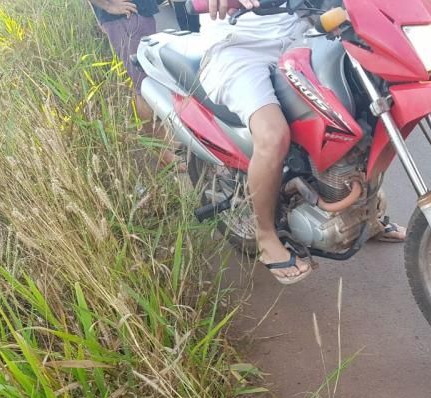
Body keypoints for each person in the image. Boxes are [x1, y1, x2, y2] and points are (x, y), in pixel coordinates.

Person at [200, 0, 405, 285]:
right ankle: (265, 236)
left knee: (366, 112)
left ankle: (365, 213)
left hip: (305, 34)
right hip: (240, 48)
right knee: (273, 136)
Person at [90, 0, 180, 167]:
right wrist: (108, 6)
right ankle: (162, 155)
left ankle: (162, 141)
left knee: (145, 81)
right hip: (127, 17)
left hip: (135, 13)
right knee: (146, 86)